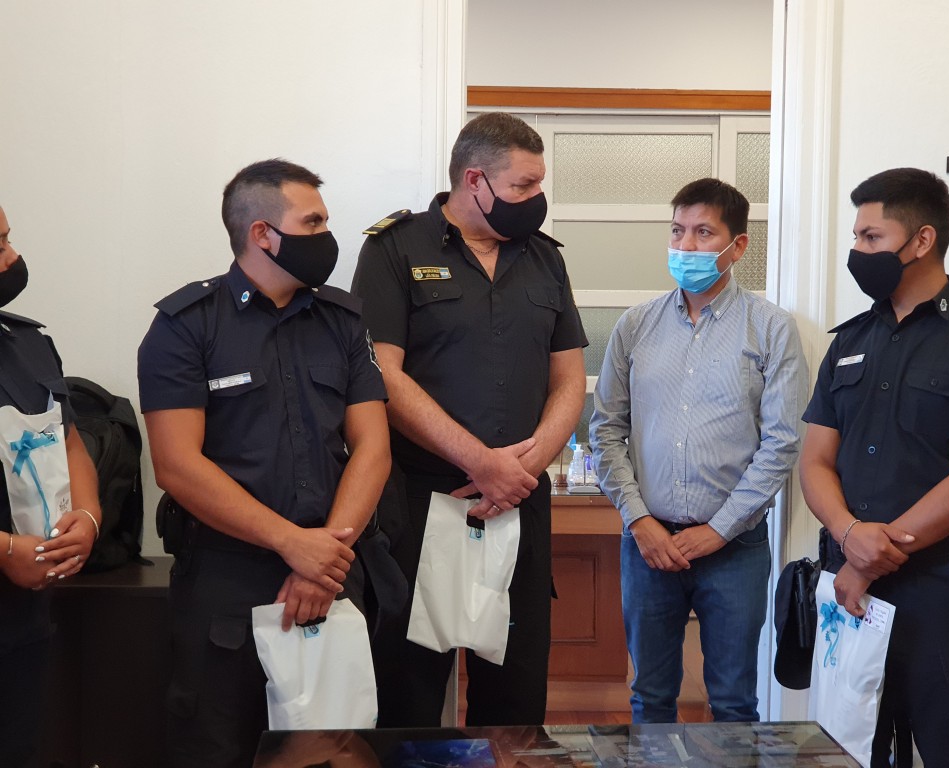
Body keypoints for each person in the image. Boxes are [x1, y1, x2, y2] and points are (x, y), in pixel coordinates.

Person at [137, 159, 391, 768]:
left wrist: (322, 559)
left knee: (332, 752)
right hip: (227, 581)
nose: (327, 234)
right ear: (262, 234)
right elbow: (176, 465)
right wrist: (291, 544)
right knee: (216, 748)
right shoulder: (184, 326)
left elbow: (373, 448)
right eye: (314, 222)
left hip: (334, 571)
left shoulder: (343, 321)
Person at [351, 111, 587, 727]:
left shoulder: (543, 259)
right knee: (407, 700)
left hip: (518, 503)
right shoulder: (395, 249)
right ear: (474, 180)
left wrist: (522, 468)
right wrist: (481, 462)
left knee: (515, 702)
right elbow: (382, 375)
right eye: (524, 185)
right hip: (421, 503)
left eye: (539, 184)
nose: (537, 198)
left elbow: (569, 379)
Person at [800, 167, 949, 767]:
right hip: (849, 592)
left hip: (941, 595)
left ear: (922, 240)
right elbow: (814, 461)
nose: (857, 250)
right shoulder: (849, 341)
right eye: (856, 236)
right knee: (848, 754)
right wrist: (849, 536)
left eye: (871, 237)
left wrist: (869, 558)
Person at [590, 178, 808, 723]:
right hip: (648, 545)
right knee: (650, 697)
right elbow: (606, 429)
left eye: (703, 233)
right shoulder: (635, 326)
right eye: (677, 231)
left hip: (734, 547)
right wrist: (639, 521)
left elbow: (781, 442)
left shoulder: (770, 328)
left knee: (733, 701)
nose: (685, 246)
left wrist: (719, 529)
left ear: (737, 246)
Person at [0, 204, 102, 767]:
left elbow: (69, 441)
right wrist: (5, 550)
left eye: (9, 239)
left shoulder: (26, 342)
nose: (14, 258)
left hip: (23, 617)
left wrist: (86, 518)